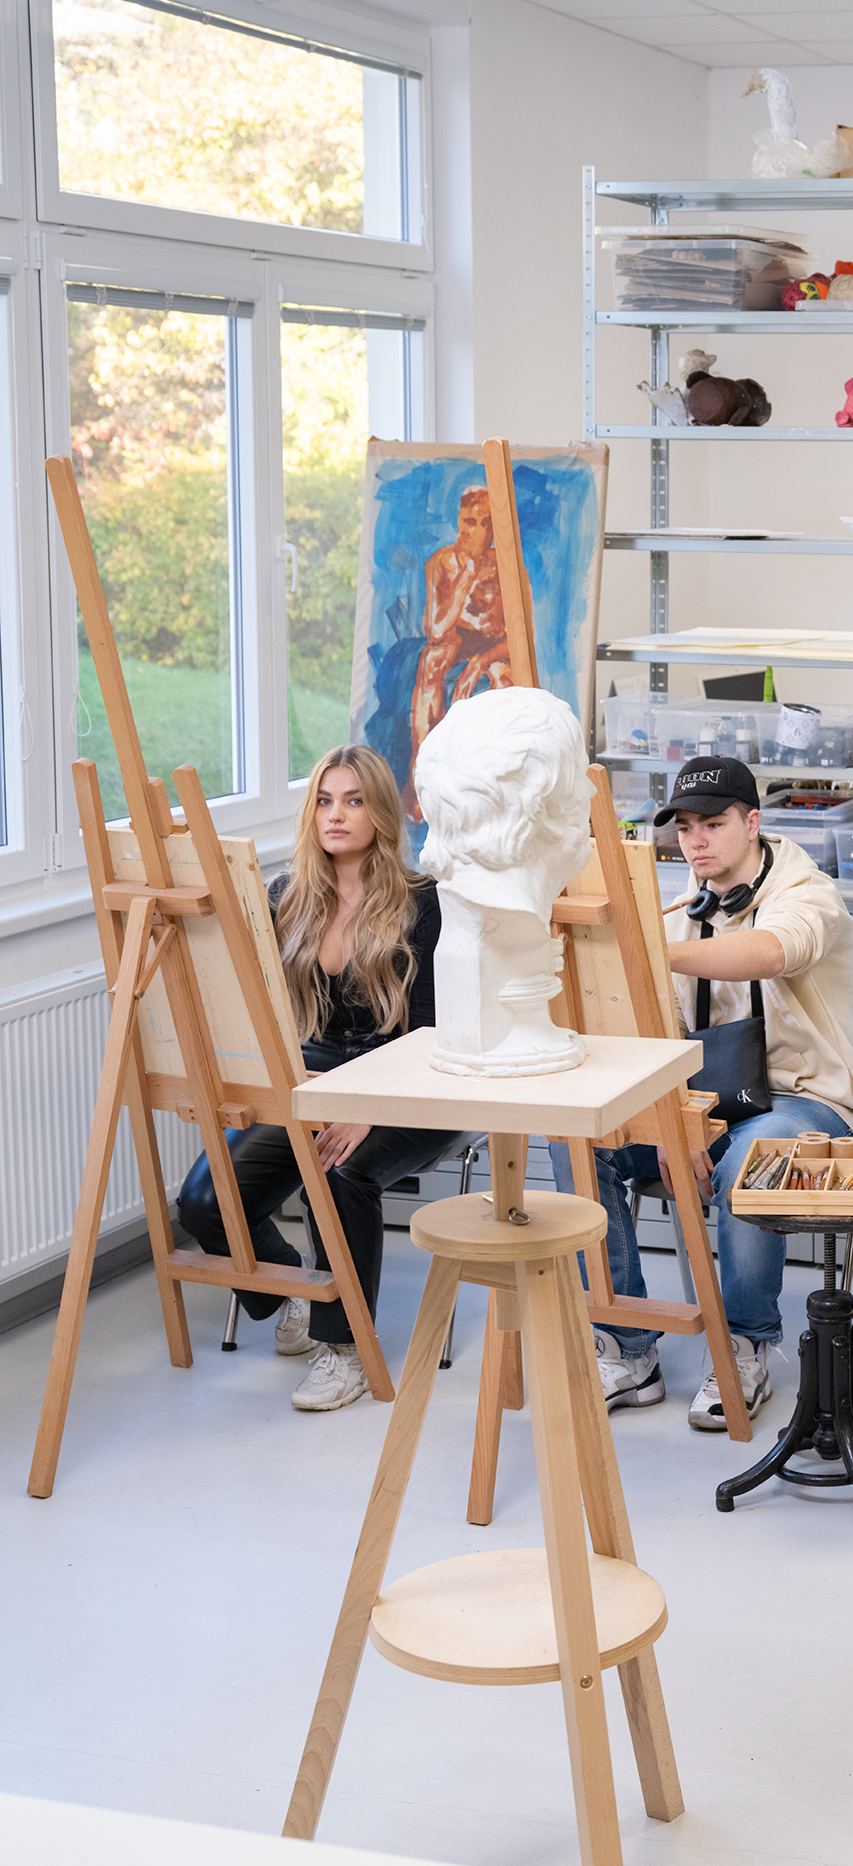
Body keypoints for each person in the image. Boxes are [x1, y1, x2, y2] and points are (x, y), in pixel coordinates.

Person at [589, 755, 853, 1432]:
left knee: (754, 1153)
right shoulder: (677, 908)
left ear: (752, 823)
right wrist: (671, 1122)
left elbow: (768, 952)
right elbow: (657, 1033)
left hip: (808, 1102)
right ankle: (626, 1345)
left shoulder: (807, 891)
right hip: (708, 1104)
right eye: (685, 827)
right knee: (580, 1139)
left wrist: (646, 949)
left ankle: (745, 1346)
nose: (696, 841)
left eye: (713, 824)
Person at [177, 746, 461, 1412]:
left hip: (416, 1081)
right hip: (317, 1074)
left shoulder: (425, 902)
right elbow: (259, 1012)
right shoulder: (286, 897)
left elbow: (436, 1034)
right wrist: (280, 1074)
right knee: (204, 1202)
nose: (336, 815)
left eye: (354, 801)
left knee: (340, 1170)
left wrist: (368, 1107)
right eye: (325, 801)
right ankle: (294, 1293)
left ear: (381, 812)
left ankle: (346, 1350)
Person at [406, 487, 513, 820]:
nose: (476, 531)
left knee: (505, 679)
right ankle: (423, 778)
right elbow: (436, 629)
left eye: (485, 523)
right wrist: (467, 573)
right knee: (431, 662)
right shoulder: (441, 562)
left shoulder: (508, 567)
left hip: (493, 649)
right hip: (454, 643)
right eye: (469, 522)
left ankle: (495, 792)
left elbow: (522, 637)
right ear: (458, 522)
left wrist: (478, 664)